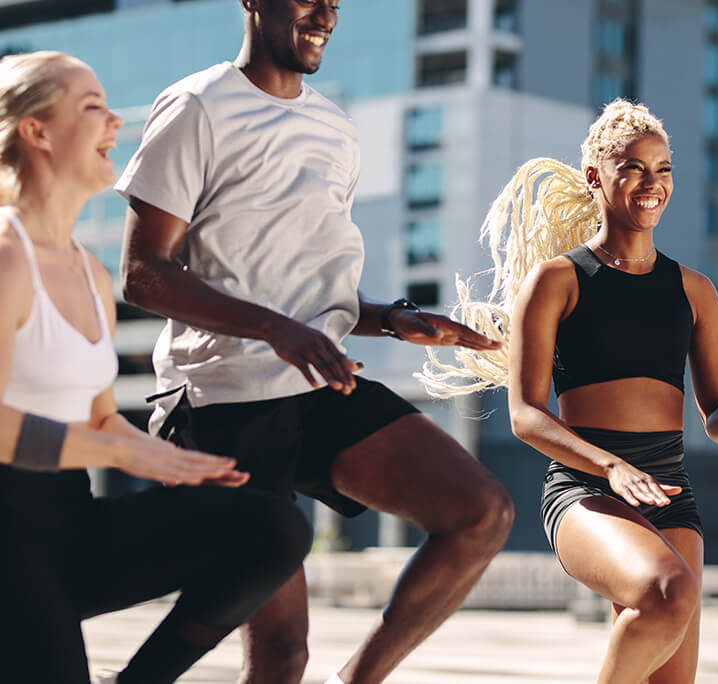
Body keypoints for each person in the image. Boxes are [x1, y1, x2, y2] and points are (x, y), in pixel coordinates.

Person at [115, 2, 514, 683]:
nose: (326, 12)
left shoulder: (335, 127)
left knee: (481, 512)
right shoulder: (196, 107)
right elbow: (143, 275)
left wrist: (391, 319)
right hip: (221, 399)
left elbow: (303, 292)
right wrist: (275, 327)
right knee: (281, 652)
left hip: (317, 386)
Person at [418, 100, 718, 684]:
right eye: (634, 168)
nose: (652, 183)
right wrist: (611, 467)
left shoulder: (695, 291)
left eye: (663, 169)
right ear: (596, 176)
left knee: (670, 663)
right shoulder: (557, 281)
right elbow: (524, 416)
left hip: (670, 491)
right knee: (666, 592)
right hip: (585, 488)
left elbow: (715, 423)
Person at [0, 50, 312, 684]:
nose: (114, 121)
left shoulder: (88, 272)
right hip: (6, 537)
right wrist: (121, 455)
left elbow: (96, 416)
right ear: (35, 132)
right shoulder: (6, 257)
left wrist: (171, 461)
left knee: (270, 526)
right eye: (91, 107)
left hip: (68, 524)